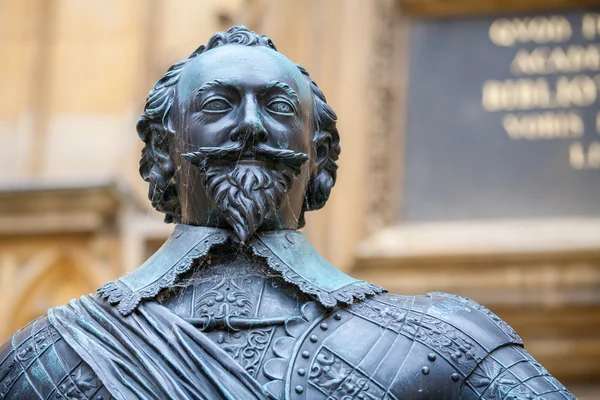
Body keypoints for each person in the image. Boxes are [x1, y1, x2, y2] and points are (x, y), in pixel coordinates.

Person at [0, 26, 575, 400]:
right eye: (220, 105)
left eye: (277, 107)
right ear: (161, 153)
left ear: (320, 158)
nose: (250, 125)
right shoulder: (51, 358)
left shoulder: (444, 343)